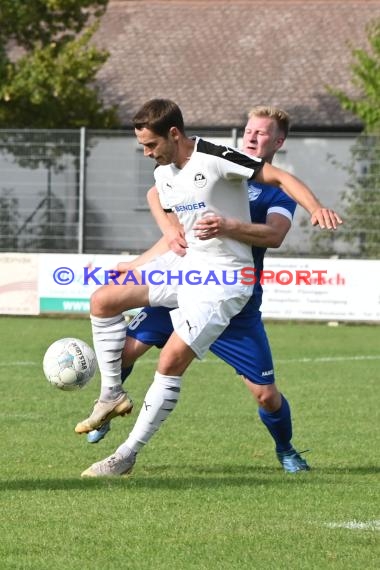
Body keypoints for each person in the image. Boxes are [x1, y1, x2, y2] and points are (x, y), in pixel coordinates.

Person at [78, 98, 341, 477]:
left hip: (227, 285)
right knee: (104, 301)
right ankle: (111, 396)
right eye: (248, 130)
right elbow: (163, 202)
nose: (147, 154)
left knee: (247, 389)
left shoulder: (225, 161)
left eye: (260, 133)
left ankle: (126, 455)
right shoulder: (165, 170)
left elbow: (276, 219)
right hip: (189, 270)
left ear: (277, 142)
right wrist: (146, 257)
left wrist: (314, 208)